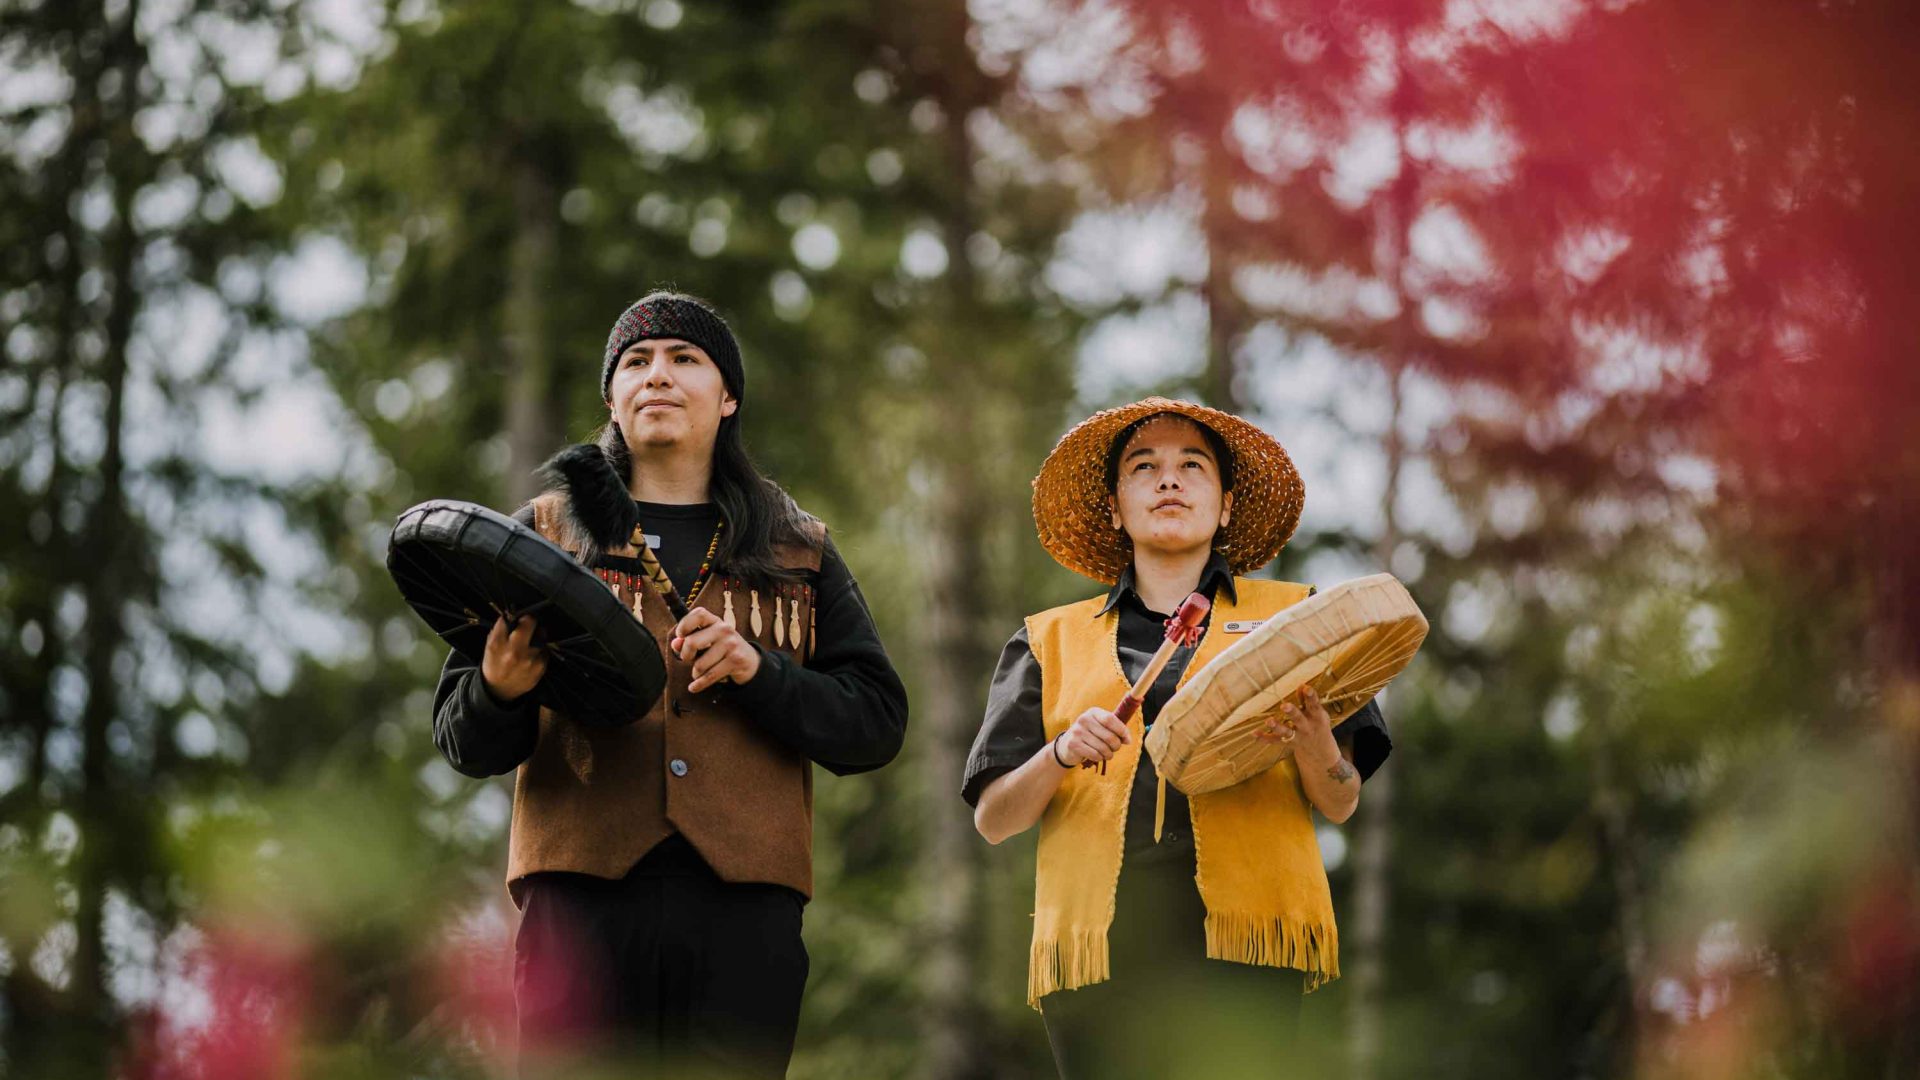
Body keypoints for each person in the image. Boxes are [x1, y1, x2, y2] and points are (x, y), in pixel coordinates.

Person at [431, 292, 908, 1077]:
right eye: (635, 363)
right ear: (612, 401)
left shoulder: (800, 548)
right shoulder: (545, 532)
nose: (657, 375)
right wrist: (499, 687)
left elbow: (878, 723)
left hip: (745, 915)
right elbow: (461, 734)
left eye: (685, 358)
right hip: (577, 910)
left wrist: (762, 673)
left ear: (728, 399)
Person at [963, 398, 1392, 1079]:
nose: (1169, 480)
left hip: (1248, 944)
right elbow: (993, 820)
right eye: (1145, 467)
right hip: (1098, 952)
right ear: (1113, 507)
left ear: (1224, 507)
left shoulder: (1301, 619)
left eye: (1193, 465)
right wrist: (1061, 752)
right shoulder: (1047, 640)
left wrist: (1313, 741)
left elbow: (1340, 801)